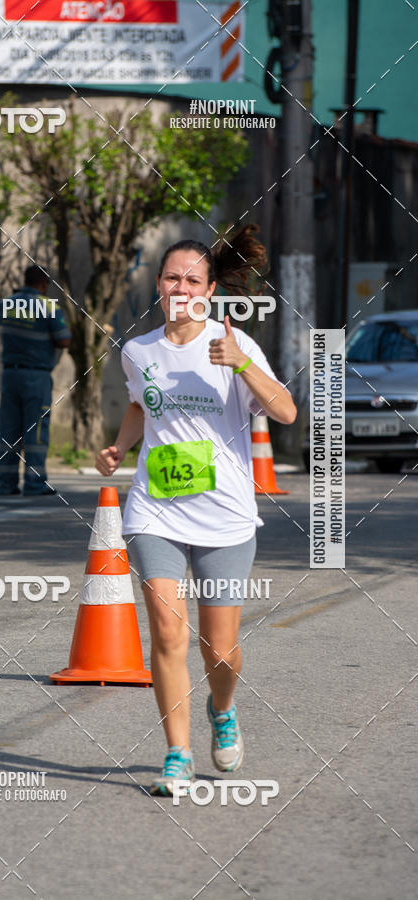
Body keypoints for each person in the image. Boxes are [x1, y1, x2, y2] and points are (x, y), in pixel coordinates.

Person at [95, 227, 297, 796]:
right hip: (155, 509)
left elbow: (285, 411)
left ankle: (222, 709)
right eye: (172, 278)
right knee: (167, 632)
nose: (181, 288)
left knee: (220, 651)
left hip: (225, 514)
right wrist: (120, 447)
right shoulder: (138, 351)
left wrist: (241, 363)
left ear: (209, 290)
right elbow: (141, 405)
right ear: (158, 285)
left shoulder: (235, 343)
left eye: (192, 280)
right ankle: (177, 753)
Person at [0, 264, 71, 496]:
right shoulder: (48, 307)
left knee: (9, 429)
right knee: (36, 431)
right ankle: (34, 483)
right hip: (36, 376)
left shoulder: (8, 304)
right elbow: (64, 340)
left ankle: (6, 484)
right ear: (43, 285)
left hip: (10, 375)